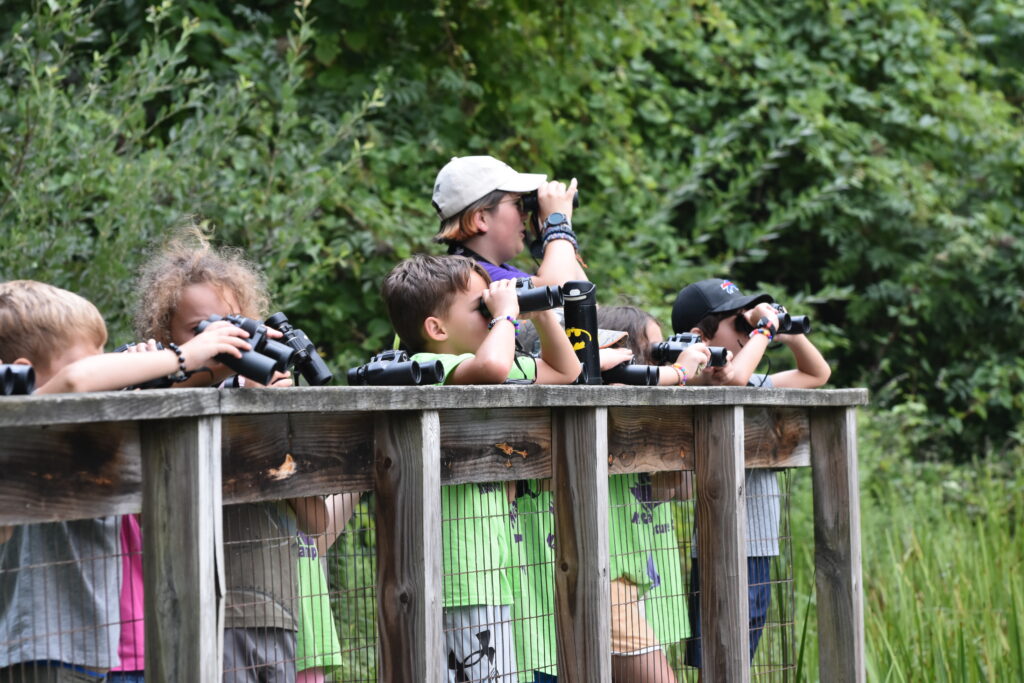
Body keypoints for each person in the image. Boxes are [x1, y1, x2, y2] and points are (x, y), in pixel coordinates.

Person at [0, 279, 251, 682]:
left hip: (83, 651)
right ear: (22, 374)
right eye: (91, 359)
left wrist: (159, 377)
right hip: (39, 648)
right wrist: (182, 356)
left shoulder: (75, 434)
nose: (103, 369)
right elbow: (75, 382)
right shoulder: (20, 425)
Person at [133, 228, 328, 682]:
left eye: (232, 323)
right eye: (202, 328)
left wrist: (273, 420)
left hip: (276, 610)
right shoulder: (155, 398)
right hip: (201, 609)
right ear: (165, 335)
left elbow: (315, 523)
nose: (222, 339)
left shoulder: (264, 391)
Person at [380, 254, 580, 682]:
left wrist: (540, 313)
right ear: (436, 330)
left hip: (486, 571)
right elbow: (491, 367)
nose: (491, 315)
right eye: (480, 308)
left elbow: (567, 371)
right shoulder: (430, 368)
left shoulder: (489, 365)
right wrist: (506, 316)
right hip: (454, 574)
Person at [671, 278, 831, 674]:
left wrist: (785, 329)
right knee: (723, 658)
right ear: (699, 336)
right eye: (736, 322)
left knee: (741, 656)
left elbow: (816, 374)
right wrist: (762, 330)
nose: (747, 331)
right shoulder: (698, 374)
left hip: (758, 543)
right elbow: (731, 379)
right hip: (720, 542)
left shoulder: (746, 375)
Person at [432, 156, 585, 288]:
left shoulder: (500, 271)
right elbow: (558, 291)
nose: (525, 215)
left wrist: (551, 231)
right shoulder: (473, 278)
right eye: (517, 203)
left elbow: (586, 303)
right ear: (481, 218)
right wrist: (558, 224)